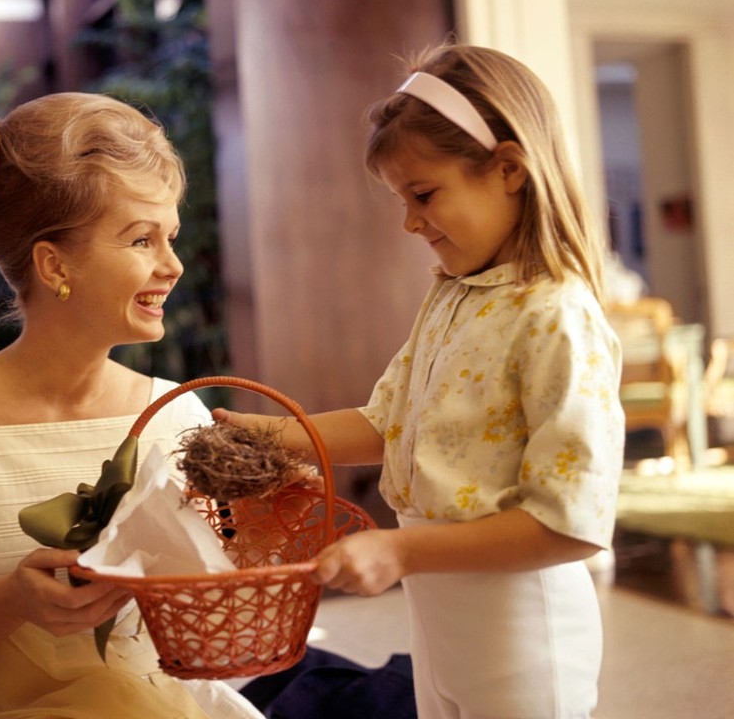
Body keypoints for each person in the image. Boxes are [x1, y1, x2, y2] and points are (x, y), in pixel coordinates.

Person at [218, 43, 625, 719]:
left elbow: (572, 525)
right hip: (443, 617)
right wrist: (266, 437)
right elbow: (388, 424)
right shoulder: (453, 297)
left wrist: (400, 548)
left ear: (508, 170)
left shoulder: (556, 316)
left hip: (521, 626)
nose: (409, 222)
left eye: (423, 194)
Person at [0, 92, 264, 719]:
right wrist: (9, 603)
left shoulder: (178, 417)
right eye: (141, 240)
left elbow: (215, 612)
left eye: (172, 237)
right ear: (53, 264)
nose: (174, 265)